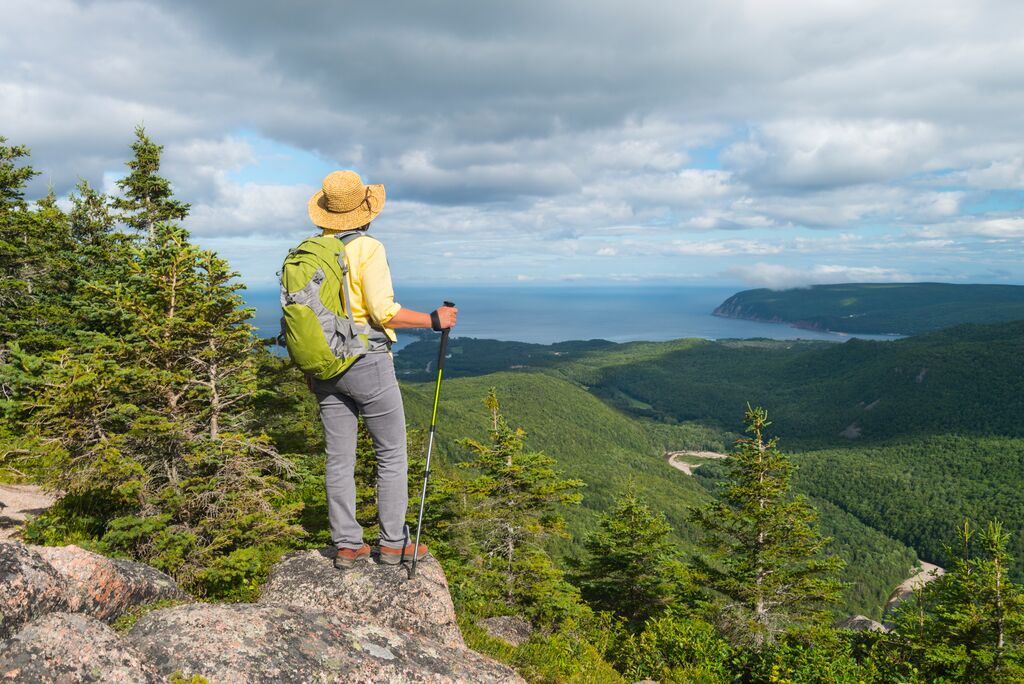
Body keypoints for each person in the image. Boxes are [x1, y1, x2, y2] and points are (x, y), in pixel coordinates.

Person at [305, 170, 457, 569]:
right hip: (366, 362)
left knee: (339, 458)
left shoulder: (311, 251)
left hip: (324, 363)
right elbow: (382, 311)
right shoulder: (367, 248)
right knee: (391, 454)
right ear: (365, 212)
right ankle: (393, 543)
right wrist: (434, 320)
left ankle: (347, 546)